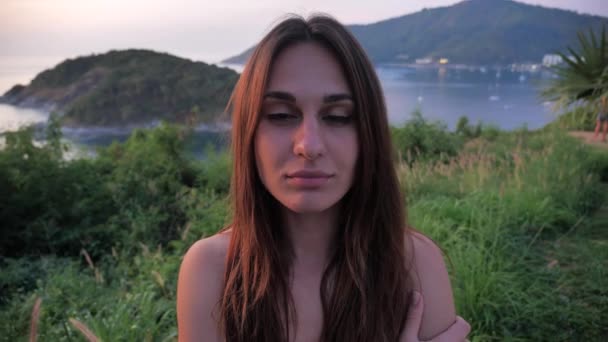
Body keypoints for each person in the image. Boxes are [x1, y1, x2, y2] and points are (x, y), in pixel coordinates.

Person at [177, 14, 471, 342]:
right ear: (249, 135)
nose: (309, 146)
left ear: (368, 136)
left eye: (337, 117)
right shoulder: (211, 270)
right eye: (281, 115)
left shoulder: (414, 264)